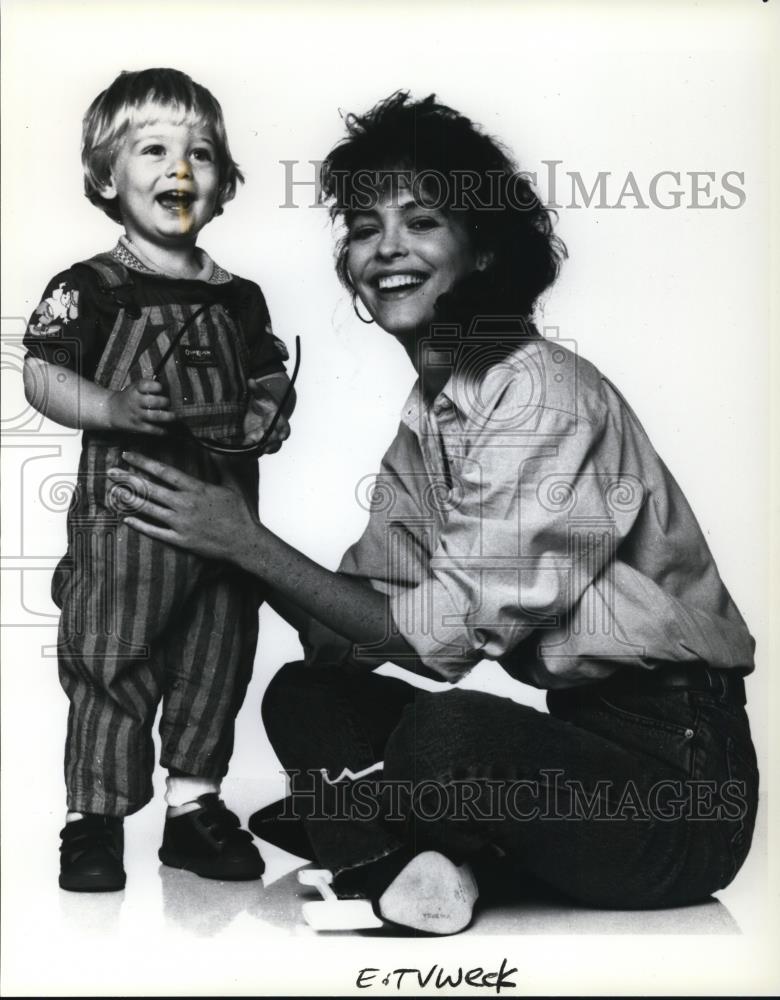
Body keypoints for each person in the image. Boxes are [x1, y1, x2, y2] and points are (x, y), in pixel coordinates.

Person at [111, 92, 759, 934]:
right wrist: (219, 517)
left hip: (677, 793)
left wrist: (244, 543)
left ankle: (390, 836)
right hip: (567, 757)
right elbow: (349, 632)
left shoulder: (540, 396)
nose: (385, 250)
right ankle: (426, 852)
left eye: (420, 221)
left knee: (445, 739)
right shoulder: (432, 417)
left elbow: (435, 644)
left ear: (483, 247)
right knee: (305, 695)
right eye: (363, 226)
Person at [22, 68, 295, 892]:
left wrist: (269, 410)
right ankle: (94, 818)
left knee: (217, 655)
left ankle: (194, 806)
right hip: (127, 527)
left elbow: (270, 375)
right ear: (108, 178)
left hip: (223, 524)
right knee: (112, 658)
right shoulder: (89, 288)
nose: (181, 167)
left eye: (202, 153)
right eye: (154, 149)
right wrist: (106, 403)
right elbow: (39, 374)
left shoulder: (240, 299)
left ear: (224, 186)